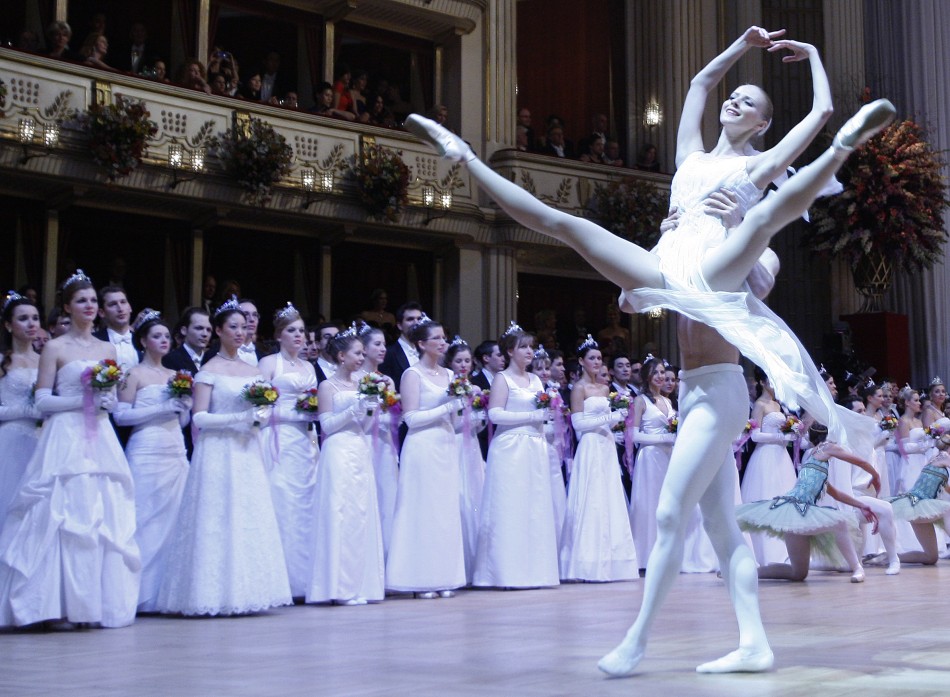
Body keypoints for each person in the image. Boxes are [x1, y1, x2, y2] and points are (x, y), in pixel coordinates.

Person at [405, 24, 894, 675]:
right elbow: (696, 84)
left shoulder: (753, 165)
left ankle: (635, 639)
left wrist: (810, 64)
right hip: (675, 282)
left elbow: (819, 108)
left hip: (717, 316)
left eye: (749, 103)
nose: (735, 104)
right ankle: (464, 156)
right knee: (568, 225)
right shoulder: (690, 156)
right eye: (736, 97)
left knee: (759, 223)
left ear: (764, 125)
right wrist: (740, 47)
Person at [0, 271, 140, 629]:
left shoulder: (107, 349)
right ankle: (51, 604)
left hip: (100, 436)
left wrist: (104, 399)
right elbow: (44, 399)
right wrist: (81, 401)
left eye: (93, 301)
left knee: (101, 509)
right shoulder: (55, 347)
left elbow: (111, 400)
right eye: (81, 300)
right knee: (63, 512)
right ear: (67, 306)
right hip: (64, 435)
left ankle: (91, 604)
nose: (90, 306)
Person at [156, 299, 290, 615]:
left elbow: (262, 407)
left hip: (246, 450)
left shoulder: (253, 370)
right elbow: (200, 417)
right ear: (219, 330)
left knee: (246, 514)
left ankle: (249, 590)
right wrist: (237, 420)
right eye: (233, 327)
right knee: (216, 517)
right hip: (217, 450)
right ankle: (211, 593)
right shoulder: (208, 370)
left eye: (244, 327)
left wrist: (260, 414)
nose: (240, 333)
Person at [114, 311, 191, 612]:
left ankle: (165, 592)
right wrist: (160, 410)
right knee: (144, 516)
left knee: (174, 519)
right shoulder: (133, 374)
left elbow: (182, 420)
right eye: (156, 336)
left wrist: (182, 408)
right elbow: (121, 416)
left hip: (173, 449)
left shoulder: (175, 376)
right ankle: (138, 591)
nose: (163, 341)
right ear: (143, 340)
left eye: (166, 337)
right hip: (145, 448)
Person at [737, 423, 880, 583]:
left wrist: (861, 505)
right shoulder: (826, 447)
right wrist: (875, 475)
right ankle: (857, 568)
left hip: (792, 515)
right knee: (840, 522)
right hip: (799, 509)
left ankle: (746, 573)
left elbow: (836, 494)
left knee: (798, 574)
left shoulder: (813, 460)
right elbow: (860, 462)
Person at [474, 323, 559, 589]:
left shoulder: (536, 380)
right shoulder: (503, 379)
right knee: (510, 505)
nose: (529, 352)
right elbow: (495, 414)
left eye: (531, 346)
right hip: (511, 447)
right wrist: (531, 416)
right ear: (510, 351)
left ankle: (534, 571)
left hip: (535, 445)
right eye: (523, 347)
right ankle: (504, 572)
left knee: (533, 507)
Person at [386, 317, 465, 598]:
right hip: (422, 446)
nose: (443, 343)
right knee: (421, 509)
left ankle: (444, 576)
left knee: (443, 511)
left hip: (445, 445)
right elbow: (411, 417)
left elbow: (454, 417)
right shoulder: (412, 374)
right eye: (437, 339)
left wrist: (460, 407)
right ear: (421, 344)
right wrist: (446, 408)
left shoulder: (450, 376)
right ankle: (419, 579)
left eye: (444, 338)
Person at [306, 328, 384, 605]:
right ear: (341, 356)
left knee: (360, 513)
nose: (362, 357)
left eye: (364, 353)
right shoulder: (328, 386)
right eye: (358, 353)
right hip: (337, 450)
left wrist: (369, 410)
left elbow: (362, 426)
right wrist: (354, 409)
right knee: (339, 513)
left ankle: (361, 584)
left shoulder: (363, 385)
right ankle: (337, 586)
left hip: (359, 448)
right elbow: (326, 425)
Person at [559, 336, 638, 581]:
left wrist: (617, 420)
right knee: (591, 499)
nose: (596, 362)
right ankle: (586, 563)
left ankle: (613, 561)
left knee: (609, 498)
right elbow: (578, 422)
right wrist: (611, 418)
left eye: (599, 358)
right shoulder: (579, 388)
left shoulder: (605, 388)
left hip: (605, 445)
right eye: (591, 358)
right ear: (581, 361)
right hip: (590, 445)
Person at [258, 303, 320, 600]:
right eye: (292, 331)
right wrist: (296, 415)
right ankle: (278, 580)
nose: (299, 336)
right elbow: (260, 407)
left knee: (306, 505)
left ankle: (305, 581)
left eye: (302, 331)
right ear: (279, 335)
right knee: (281, 499)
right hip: (278, 437)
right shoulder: (269, 363)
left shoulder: (309, 367)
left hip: (306, 441)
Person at [740, 368, 799, 566]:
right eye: (771, 381)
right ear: (763, 383)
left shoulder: (778, 404)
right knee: (767, 497)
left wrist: (791, 434)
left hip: (782, 457)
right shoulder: (760, 404)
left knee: (785, 498)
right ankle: (766, 553)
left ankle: (787, 550)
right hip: (765, 455)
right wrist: (780, 436)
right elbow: (755, 435)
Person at [444, 336, 486, 584]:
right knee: (459, 497)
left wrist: (479, 418)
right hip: (455, 443)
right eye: (458, 360)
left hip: (471, 447)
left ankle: (475, 564)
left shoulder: (476, 389)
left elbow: (477, 427)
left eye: (467, 361)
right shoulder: (449, 388)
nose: (463, 365)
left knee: (475, 495)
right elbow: (453, 423)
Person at [0, 292, 43, 529]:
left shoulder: (45, 360)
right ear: (8, 325)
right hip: (10, 438)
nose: (31, 324)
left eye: (35, 318)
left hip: (41, 439)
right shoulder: (2, 361)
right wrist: (26, 411)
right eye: (23, 318)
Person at [628, 356, 676, 567]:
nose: (660, 376)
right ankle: (646, 556)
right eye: (656, 372)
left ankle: (667, 555)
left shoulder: (667, 401)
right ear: (647, 375)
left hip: (668, 456)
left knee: (666, 503)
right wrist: (662, 438)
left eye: (662, 372)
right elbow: (635, 436)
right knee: (649, 504)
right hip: (649, 457)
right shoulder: (641, 401)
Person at [357, 324, 398, 560]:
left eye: (384, 344)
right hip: (364, 440)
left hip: (385, 442)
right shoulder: (356, 379)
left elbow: (394, 413)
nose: (383, 349)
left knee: (387, 496)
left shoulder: (387, 380)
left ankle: (387, 558)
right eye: (377, 344)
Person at [887, 417, 950, 565]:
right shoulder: (944, 457)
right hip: (919, 505)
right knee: (948, 510)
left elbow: (945, 488)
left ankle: (888, 558)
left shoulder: (937, 459)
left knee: (931, 557)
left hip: (919, 508)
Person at [378, 302, 423, 392]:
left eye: (419, 319)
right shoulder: (388, 354)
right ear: (399, 325)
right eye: (410, 319)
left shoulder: (425, 352)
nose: (416, 323)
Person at [94, 286, 139, 373]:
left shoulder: (143, 341)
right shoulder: (94, 341)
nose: (120, 308)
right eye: (113, 304)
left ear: (130, 307)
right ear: (101, 312)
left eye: (123, 302)